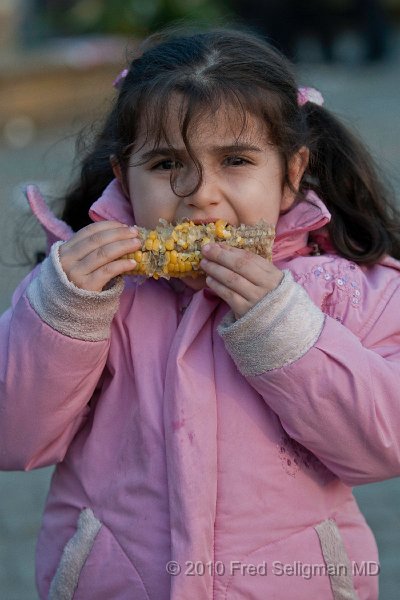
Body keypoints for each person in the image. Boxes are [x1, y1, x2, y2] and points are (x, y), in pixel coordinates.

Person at [1, 27, 400, 600]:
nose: (201, 196)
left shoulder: (344, 289)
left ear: (290, 174)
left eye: (235, 160)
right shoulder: (84, 293)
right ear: (123, 177)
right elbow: (12, 437)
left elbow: (382, 446)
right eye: (166, 164)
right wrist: (62, 315)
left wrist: (284, 330)